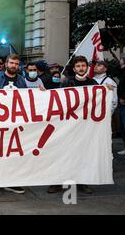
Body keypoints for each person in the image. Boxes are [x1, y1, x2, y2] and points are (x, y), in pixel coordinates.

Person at [48, 56, 98, 195]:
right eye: (78, 66)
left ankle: (82, 181)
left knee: (82, 154)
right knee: (63, 153)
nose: (81, 68)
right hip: (68, 125)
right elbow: (59, 100)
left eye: (83, 65)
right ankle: (58, 182)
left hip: (85, 126)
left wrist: (107, 89)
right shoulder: (67, 82)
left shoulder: (93, 83)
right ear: (74, 68)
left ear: (87, 67)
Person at [0, 54, 27, 194]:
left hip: (15, 122)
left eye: (16, 63)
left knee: (12, 153)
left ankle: (10, 181)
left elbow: (28, 97)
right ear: (6, 63)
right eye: (12, 63)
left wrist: (40, 92)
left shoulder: (21, 80)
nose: (14, 65)